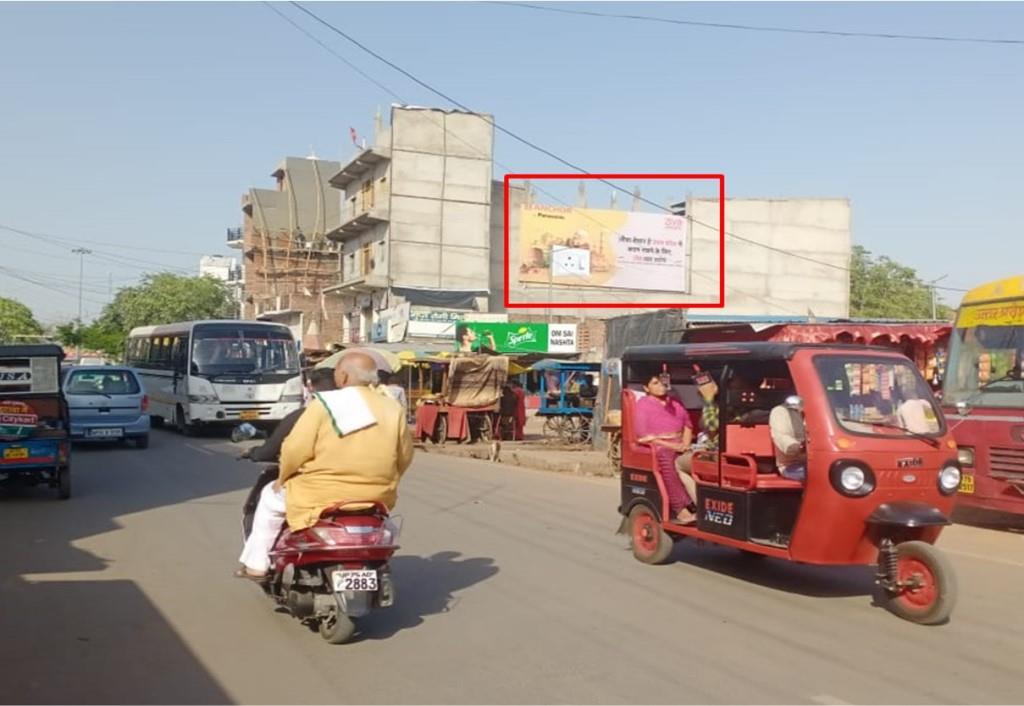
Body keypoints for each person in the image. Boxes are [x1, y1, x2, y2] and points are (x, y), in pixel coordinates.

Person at [236, 352, 414, 580]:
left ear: (344, 376)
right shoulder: (392, 408)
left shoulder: (324, 405)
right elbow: (405, 456)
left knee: (269, 499)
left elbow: (294, 449)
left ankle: (257, 566)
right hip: (375, 495)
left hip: (318, 494)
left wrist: (284, 478)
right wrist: (388, 480)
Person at [634, 374, 698, 524]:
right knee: (667, 460)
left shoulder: (675, 403)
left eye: (662, 383)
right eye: (655, 383)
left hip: (680, 443)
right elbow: (644, 435)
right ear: (646, 388)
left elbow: (688, 424)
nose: (660, 386)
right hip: (658, 445)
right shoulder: (643, 405)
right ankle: (681, 509)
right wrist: (672, 445)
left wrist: (685, 444)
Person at [241, 368, 337, 463]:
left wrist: (252, 452)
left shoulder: (301, 416)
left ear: (310, 386)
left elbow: (269, 451)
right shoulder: (349, 412)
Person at [769, 396, 807, 481]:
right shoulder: (780, 412)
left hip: (820, 461)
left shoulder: (824, 412)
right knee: (820, 474)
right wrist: (799, 447)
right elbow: (781, 436)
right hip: (792, 464)